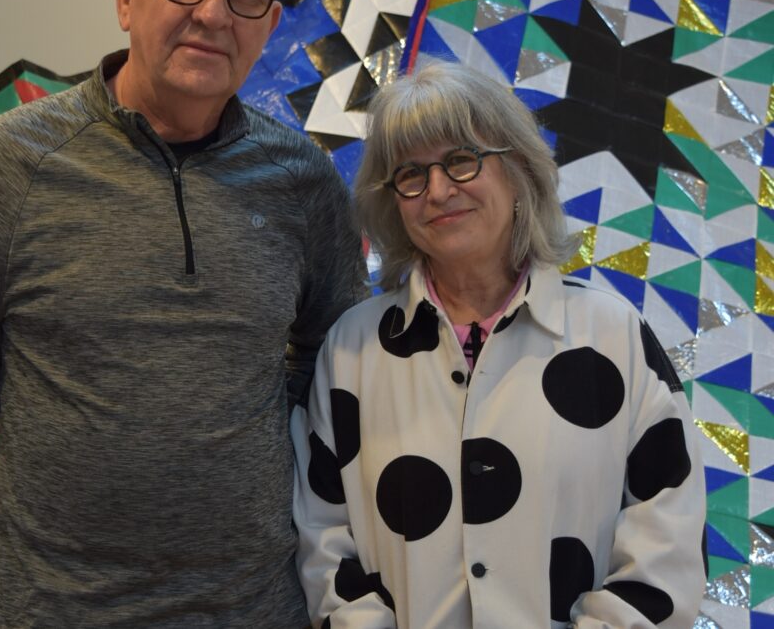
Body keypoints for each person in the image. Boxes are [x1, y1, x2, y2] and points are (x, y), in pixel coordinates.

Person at [0, 0, 367, 628]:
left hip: (257, 610)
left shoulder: (304, 184)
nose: (214, 13)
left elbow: (336, 380)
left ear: (271, 21)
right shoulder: (5, 169)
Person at [292, 59, 707, 627]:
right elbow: (323, 539)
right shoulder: (351, 350)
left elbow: (668, 544)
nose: (437, 190)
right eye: (411, 174)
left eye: (461, 160)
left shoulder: (615, 336)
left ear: (518, 171)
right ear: (393, 200)